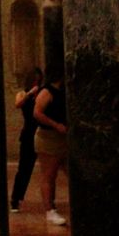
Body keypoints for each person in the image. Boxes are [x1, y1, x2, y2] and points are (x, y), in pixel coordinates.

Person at [33, 65, 68, 226]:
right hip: (48, 138)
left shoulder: (63, 91)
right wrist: (56, 125)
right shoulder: (47, 91)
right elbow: (37, 113)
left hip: (63, 138)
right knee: (49, 175)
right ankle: (50, 210)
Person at [10, 67, 43, 212]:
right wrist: (30, 93)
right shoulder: (23, 94)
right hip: (29, 134)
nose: (37, 82)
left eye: (39, 79)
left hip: (42, 132)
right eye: (35, 79)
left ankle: (50, 201)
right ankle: (15, 199)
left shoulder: (43, 94)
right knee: (24, 169)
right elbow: (18, 103)